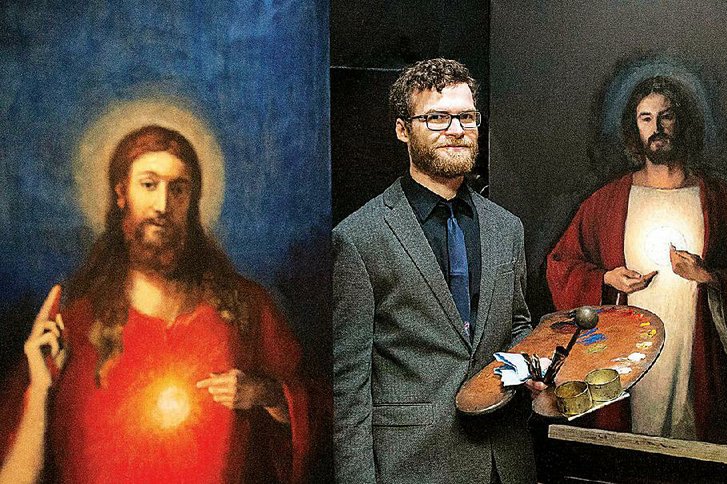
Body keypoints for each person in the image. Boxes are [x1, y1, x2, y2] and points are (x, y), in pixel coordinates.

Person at [0, 125, 311, 483]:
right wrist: (40, 388)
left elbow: (322, 412)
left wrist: (267, 393)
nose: (162, 205)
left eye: (177, 189)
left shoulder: (244, 308)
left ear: (191, 201)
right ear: (121, 194)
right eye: (148, 185)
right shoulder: (72, 328)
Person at [333, 58, 543, 484]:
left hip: (504, 462)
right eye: (436, 118)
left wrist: (533, 368)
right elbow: (348, 387)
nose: (456, 129)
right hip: (412, 466)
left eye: (466, 116)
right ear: (402, 129)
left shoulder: (507, 227)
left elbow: (517, 325)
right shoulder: (359, 236)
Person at [546, 76, 727, 444]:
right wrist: (608, 279)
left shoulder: (721, 200)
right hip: (630, 349)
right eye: (645, 118)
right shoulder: (607, 202)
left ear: (681, 122)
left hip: (696, 352)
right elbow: (562, 265)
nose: (656, 128)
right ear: (634, 129)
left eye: (666, 116)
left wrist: (711, 277)